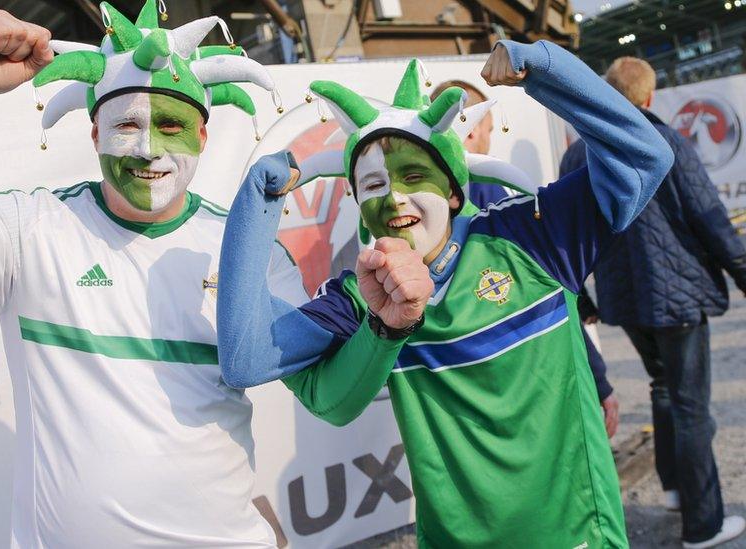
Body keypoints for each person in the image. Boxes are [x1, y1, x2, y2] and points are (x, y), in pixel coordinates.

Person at [0, 3, 307, 547]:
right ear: (93, 133)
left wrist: (380, 315)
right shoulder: (27, 230)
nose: (147, 148)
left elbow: (324, 389)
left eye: (170, 125)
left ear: (203, 136)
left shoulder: (252, 249)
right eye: (125, 125)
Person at [216, 39, 674, 547]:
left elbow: (645, 156)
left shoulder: (529, 236)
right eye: (371, 185)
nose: (394, 198)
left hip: (576, 536)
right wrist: (258, 201)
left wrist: (547, 67)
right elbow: (247, 360)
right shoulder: (359, 295)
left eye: (414, 176)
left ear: (454, 190)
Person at [560, 56, 746, 548]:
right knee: (690, 408)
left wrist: (582, 299)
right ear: (646, 98)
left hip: (626, 300)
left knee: (663, 388)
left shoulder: (576, 155)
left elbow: (568, 236)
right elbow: (711, 221)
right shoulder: (666, 140)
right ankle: (704, 525)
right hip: (679, 296)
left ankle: (673, 491)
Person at [435, 79, 620, 438]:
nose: (489, 141)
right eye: (488, 131)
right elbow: (544, 291)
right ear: (470, 131)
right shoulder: (487, 190)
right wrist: (598, 380)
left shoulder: (410, 202)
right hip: (521, 374)